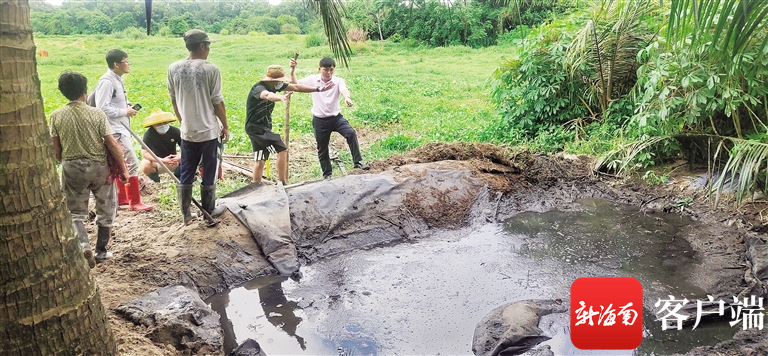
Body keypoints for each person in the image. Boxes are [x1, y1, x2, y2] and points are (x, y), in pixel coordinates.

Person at [50, 71, 129, 264]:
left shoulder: (56, 116)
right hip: (99, 167)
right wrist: (123, 168)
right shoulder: (96, 114)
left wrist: (66, 163)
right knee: (106, 208)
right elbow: (111, 143)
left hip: (72, 167)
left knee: (75, 212)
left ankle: (84, 246)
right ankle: (101, 251)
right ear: (85, 91)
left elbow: (56, 150)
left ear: (62, 92)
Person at [167, 29, 230, 224]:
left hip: (188, 132)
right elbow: (217, 102)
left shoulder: (173, 68)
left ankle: (186, 214)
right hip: (208, 130)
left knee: (187, 170)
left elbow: (174, 99)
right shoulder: (211, 69)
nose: (209, 49)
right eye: (208, 45)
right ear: (201, 46)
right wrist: (225, 126)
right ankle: (208, 209)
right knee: (209, 169)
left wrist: (182, 121)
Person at [245, 64, 334, 185]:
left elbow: (296, 87)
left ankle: (255, 185)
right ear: (273, 81)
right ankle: (282, 183)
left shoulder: (276, 86)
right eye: (279, 81)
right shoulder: (259, 88)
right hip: (257, 129)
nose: (280, 83)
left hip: (261, 127)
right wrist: (280, 97)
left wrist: (318, 89)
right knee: (282, 149)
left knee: (260, 159)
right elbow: (267, 95)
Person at [291, 57, 369, 180]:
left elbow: (344, 90)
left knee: (351, 133)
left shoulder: (338, 81)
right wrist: (293, 69)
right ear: (319, 69)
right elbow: (296, 84)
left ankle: (358, 163)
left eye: (331, 70)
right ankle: (327, 174)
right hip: (320, 120)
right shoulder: (313, 79)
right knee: (322, 148)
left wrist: (347, 98)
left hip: (336, 118)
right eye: (325, 70)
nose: (328, 73)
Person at [94, 49, 153, 211]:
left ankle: (122, 198)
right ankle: (135, 202)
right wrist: (124, 112)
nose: (129, 64)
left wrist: (126, 107)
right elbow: (102, 107)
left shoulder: (117, 80)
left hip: (121, 128)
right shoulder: (107, 82)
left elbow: (112, 104)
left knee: (120, 164)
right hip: (115, 130)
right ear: (116, 64)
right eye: (126, 61)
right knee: (132, 163)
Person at [140, 109, 182, 182]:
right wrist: (161, 160)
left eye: (164, 123)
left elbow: (186, 148)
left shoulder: (175, 131)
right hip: (157, 162)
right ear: (153, 125)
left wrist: (179, 157)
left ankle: (179, 175)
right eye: (159, 124)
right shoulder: (148, 135)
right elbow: (144, 153)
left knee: (190, 158)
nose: (162, 125)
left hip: (174, 160)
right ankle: (155, 180)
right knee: (145, 164)